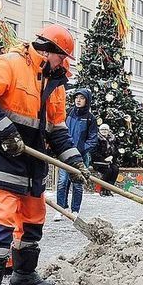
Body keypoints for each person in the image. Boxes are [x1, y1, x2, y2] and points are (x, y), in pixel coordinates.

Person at [0, 24, 90, 285]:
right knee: (5, 218)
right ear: (48, 51)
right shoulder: (10, 64)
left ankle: (23, 274)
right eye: (63, 58)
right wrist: (6, 132)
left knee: (34, 218)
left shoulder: (55, 84)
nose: (65, 64)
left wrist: (74, 161)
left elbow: (57, 129)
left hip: (33, 161)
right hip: (5, 156)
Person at [55, 88, 97, 220]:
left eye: (82, 98)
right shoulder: (67, 113)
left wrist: (81, 150)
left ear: (87, 100)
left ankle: (75, 209)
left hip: (80, 156)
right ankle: (60, 209)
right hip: (65, 154)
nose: (78, 100)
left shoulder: (90, 119)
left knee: (77, 183)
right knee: (62, 182)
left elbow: (92, 139)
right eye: (76, 97)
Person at [92, 123, 120, 196]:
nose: (104, 131)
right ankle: (102, 189)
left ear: (108, 130)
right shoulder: (96, 139)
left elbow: (117, 151)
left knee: (115, 169)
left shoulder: (113, 139)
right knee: (108, 171)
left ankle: (109, 189)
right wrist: (104, 159)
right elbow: (94, 152)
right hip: (98, 161)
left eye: (106, 129)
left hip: (110, 160)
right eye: (102, 129)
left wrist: (112, 157)